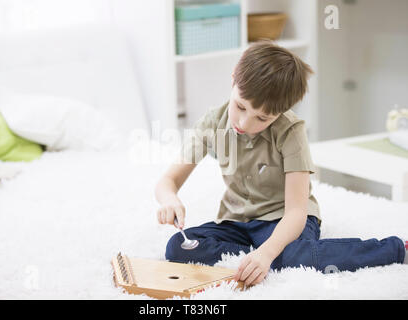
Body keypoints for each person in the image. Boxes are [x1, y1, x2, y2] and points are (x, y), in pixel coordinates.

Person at [154, 40, 408, 287]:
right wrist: (170, 199)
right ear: (233, 79)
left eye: (262, 118)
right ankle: (261, 254)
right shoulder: (212, 122)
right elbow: (168, 181)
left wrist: (267, 253)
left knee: (301, 255)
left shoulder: (291, 132)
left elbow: (296, 212)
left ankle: (397, 248)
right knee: (179, 246)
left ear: (281, 111)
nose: (244, 123)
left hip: (285, 219)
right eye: (240, 106)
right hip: (237, 221)